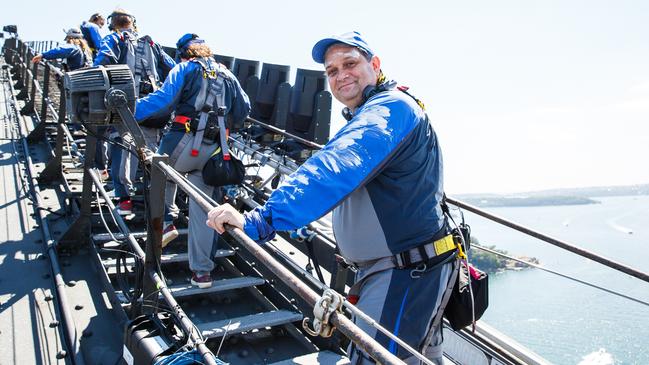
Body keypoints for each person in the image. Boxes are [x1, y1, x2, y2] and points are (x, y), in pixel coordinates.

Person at [206, 31, 457, 364]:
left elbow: (336, 166)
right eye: (332, 71)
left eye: (350, 63)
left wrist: (261, 220)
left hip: (404, 273)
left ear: (375, 65)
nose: (341, 76)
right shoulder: (378, 109)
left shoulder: (389, 109)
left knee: (373, 358)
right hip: (409, 267)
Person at [135, 33, 250, 288]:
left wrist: (127, 109)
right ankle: (202, 273)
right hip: (214, 153)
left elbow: (162, 100)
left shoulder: (184, 68)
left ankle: (166, 222)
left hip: (181, 143)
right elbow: (244, 109)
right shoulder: (228, 75)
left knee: (159, 174)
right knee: (204, 212)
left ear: (183, 53)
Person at [94, 9, 176, 215]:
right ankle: (156, 202)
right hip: (152, 108)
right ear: (133, 23)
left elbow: (102, 61)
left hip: (125, 107)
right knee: (150, 154)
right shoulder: (151, 43)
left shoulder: (114, 38)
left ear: (113, 23)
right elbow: (172, 69)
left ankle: (125, 200)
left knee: (122, 149)